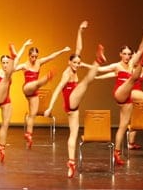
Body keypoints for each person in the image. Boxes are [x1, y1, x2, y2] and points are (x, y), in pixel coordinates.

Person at [41, 21, 111, 178]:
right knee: (85, 82)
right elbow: (57, 89)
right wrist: (49, 107)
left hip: (73, 108)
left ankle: (71, 163)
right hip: (70, 101)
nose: (77, 65)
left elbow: (78, 48)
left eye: (79, 63)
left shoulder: (75, 66)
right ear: (69, 62)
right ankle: (98, 60)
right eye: (75, 63)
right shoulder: (67, 74)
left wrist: (80, 30)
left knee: (73, 134)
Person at [94, 31, 143, 161]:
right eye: (125, 54)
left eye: (129, 54)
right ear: (121, 54)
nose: (127, 56)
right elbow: (104, 72)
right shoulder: (120, 66)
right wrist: (93, 72)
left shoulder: (134, 66)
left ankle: (117, 153)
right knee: (132, 82)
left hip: (131, 99)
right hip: (122, 93)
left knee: (123, 126)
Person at [14, 41, 70, 149]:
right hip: (27, 88)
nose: (34, 59)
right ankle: (47, 78)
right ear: (28, 55)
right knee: (37, 83)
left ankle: (29, 135)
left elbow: (51, 56)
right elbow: (12, 69)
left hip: (34, 92)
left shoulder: (39, 62)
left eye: (36, 56)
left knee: (32, 115)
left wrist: (63, 50)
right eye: (32, 56)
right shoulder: (24, 65)